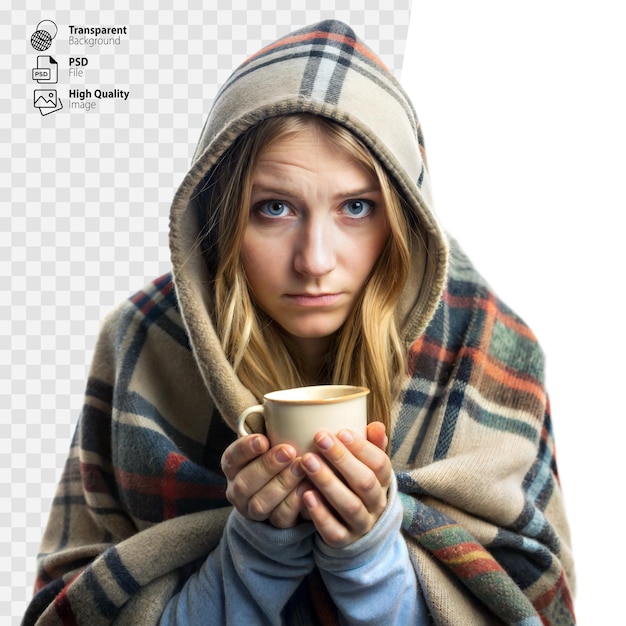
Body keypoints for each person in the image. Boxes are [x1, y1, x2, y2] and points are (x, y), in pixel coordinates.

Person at [23, 20, 576, 626]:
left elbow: (531, 608)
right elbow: (69, 609)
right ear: (220, 216)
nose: (314, 260)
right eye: (275, 208)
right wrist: (256, 553)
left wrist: (371, 555)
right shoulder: (142, 344)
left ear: (405, 219)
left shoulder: (483, 347)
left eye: (357, 207)